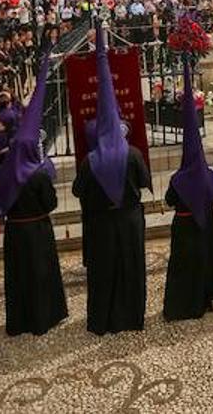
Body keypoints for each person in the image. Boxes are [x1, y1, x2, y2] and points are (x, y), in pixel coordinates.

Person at [73, 24, 151, 333]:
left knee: (104, 272)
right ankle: (132, 318)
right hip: (130, 220)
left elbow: (78, 190)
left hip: (101, 223)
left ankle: (104, 321)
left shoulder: (89, 160)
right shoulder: (132, 154)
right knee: (131, 268)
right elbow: (144, 181)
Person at [0, 56, 67, 337]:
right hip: (38, 227)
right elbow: (52, 203)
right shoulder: (39, 175)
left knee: (19, 276)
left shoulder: (3, 174)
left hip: (17, 231)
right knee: (42, 273)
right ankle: (46, 316)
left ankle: (20, 320)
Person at [163, 57, 213, 321]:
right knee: (206, 260)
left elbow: (169, 201)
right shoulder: (210, 176)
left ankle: (184, 305)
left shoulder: (177, 180)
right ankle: (206, 300)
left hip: (184, 226)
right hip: (206, 224)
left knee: (183, 266)